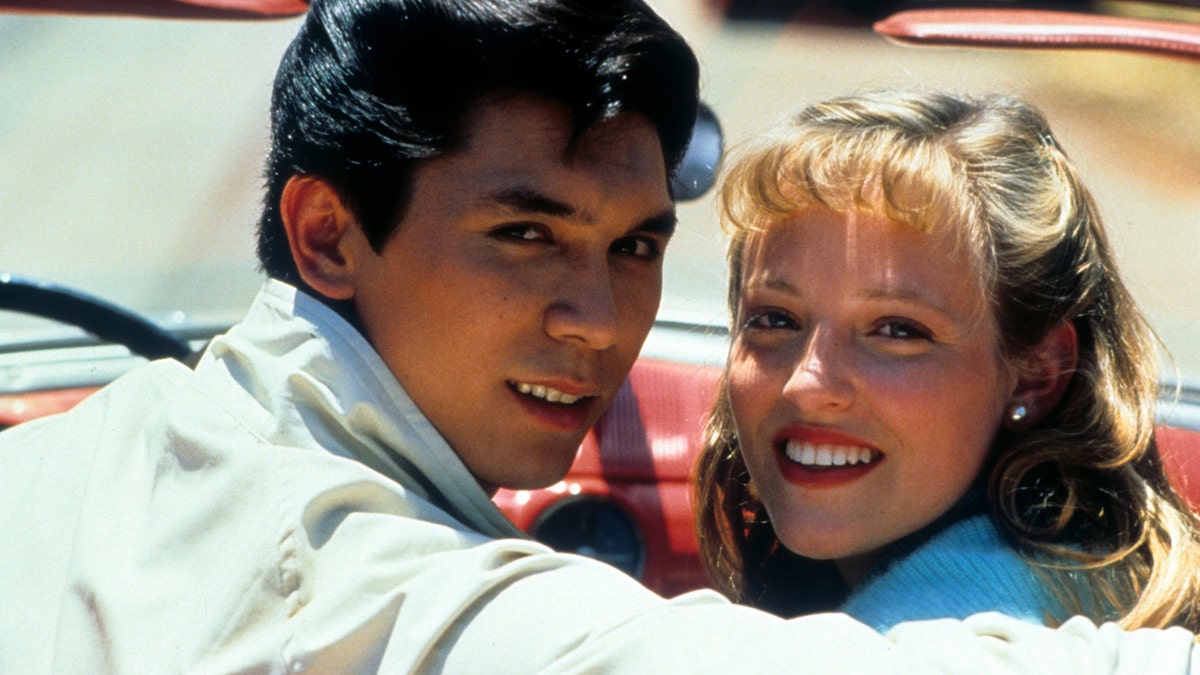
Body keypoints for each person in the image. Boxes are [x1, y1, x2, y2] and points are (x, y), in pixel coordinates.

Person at [2, 1, 1198, 670]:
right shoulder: (354, 584)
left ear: (1041, 362)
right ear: (326, 237)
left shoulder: (69, 460)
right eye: (525, 235)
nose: (598, 321)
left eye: (634, 246)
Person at [694, 89, 1200, 632]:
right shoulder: (1091, 570)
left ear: (1036, 375)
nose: (807, 383)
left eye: (897, 331)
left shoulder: (942, 634)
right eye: (774, 319)